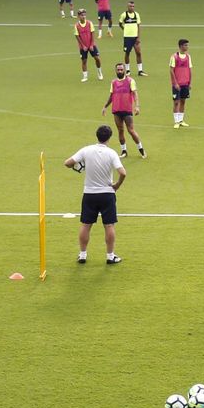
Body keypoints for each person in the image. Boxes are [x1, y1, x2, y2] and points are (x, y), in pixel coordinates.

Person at [66, 124, 127, 264]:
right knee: (109, 225)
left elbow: (67, 163)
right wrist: (116, 185)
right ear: (109, 138)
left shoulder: (86, 150)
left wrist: (79, 167)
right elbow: (123, 173)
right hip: (107, 194)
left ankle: (82, 255)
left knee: (86, 224)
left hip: (89, 194)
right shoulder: (111, 153)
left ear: (97, 136)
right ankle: (110, 256)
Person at [101, 62, 146, 158]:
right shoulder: (113, 82)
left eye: (121, 69)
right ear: (115, 70)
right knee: (120, 130)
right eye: (118, 69)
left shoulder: (130, 81)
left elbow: (135, 94)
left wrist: (137, 106)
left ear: (124, 70)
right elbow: (111, 96)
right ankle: (124, 151)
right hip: (116, 110)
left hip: (127, 110)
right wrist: (105, 106)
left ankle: (141, 149)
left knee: (131, 130)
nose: (120, 71)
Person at [169, 39, 193, 129]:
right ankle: (176, 121)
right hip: (177, 84)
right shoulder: (174, 57)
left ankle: (181, 120)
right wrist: (175, 83)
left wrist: (190, 82)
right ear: (181, 46)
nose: (187, 47)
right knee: (176, 102)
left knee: (183, 101)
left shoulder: (188, 57)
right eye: (186, 45)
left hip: (185, 83)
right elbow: (171, 70)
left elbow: (190, 69)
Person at [75, 9, 103, 82]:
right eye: (82, 15)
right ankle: (85, 76)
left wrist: (91, 45)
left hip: (91, 45)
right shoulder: (77, 25)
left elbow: (92, 34)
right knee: (84, 61)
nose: (83, 16)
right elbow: (77, 36)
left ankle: (99, 73)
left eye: (84, 15)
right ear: (78, 16)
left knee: (97, 58)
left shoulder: (89, 23)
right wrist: (83, 46)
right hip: (83, 47)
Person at [119, 0, 145, 74]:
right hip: (127, 37)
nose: (132, 8)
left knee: (138, 53)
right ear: (127, 7)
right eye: (130, 6)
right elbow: (120, 23)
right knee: (127, 53)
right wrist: (124, 29)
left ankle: (140, 70)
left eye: (133, 6)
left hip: (135, 37)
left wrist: (138, 37)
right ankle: (127, 70)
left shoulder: (136, 15)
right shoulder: (124, 15)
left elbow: (138, 26)